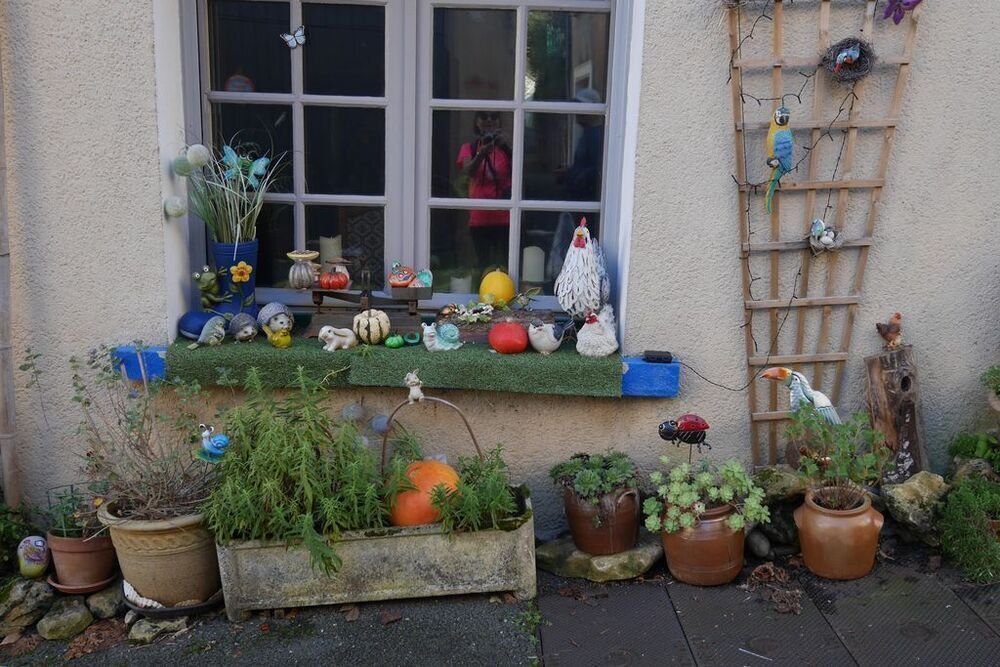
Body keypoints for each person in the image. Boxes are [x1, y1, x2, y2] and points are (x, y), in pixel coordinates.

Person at [454, 111, 513, 271]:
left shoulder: (506, 149)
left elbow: (520, 172)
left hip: (504, 217)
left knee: (505, 265)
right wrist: (481, 154)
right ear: (477, 122)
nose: (489, 120)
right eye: (484, 116)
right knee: (483, 264)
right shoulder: (470, 148)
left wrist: (507, 147)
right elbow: (467, 171)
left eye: (494, 117)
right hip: (479, 217)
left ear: (499, 122)